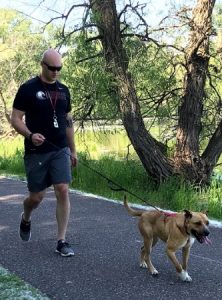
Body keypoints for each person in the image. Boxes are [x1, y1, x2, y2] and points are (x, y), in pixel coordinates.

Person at [11, 48, 77, 257]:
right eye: (52, 68)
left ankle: (61, 240)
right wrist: (30, 135)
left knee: (62, 189)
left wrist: (73, 150)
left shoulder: (64, 90)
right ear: (43, 65)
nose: (56, 72)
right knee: (36, 197)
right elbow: (15, 118)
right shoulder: (28, 89)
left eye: (59, 68)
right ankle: (26, 217)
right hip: (36, 151)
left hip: (60, 149)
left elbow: (67, 121)